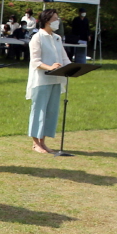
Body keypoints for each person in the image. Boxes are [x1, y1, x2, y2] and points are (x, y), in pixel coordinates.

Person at [27, 8, 71, 154]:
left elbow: (64, 58)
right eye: (54, 19)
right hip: (42, 80)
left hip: (56, 79)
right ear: (46, 21)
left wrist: (71, 67)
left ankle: (43, 142)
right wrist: (50, 67)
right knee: (39, 110)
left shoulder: (57, 38)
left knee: (51, 111)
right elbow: (36, 61)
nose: (57, 21)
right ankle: (35, 143)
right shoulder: (37, 37)